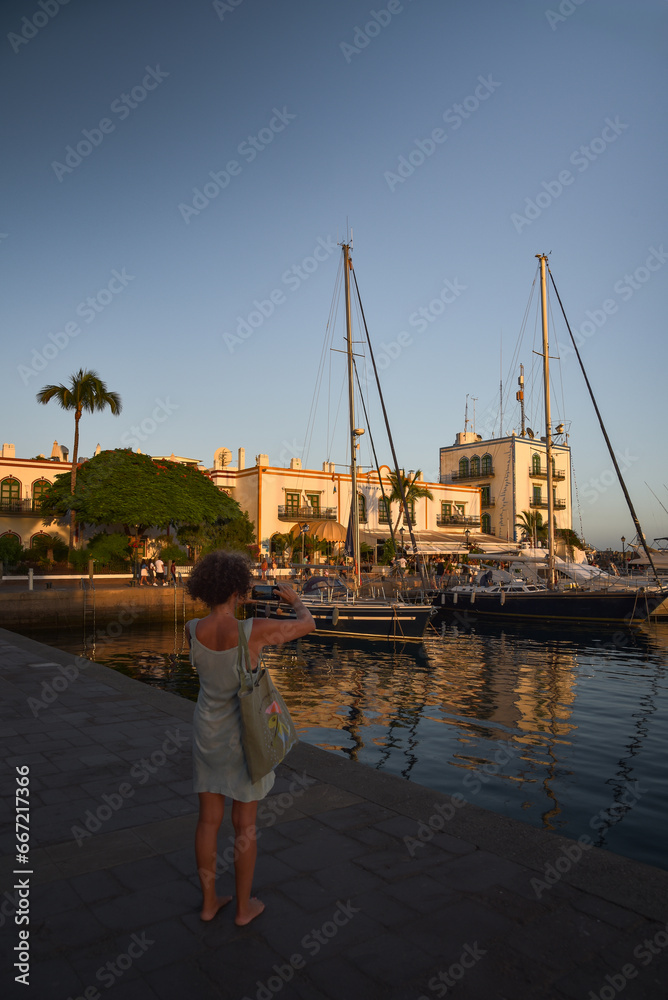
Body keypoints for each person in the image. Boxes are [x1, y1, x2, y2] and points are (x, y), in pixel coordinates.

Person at [186, 551, 315, 926]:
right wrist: (295, 600)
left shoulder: (192, 628)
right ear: (239, 590)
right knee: (245, 825)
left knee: (208, 821)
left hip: (206, 731)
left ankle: (209, 903)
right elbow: (306, 625)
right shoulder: (251, 630)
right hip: (244, 737)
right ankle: (244, 908)